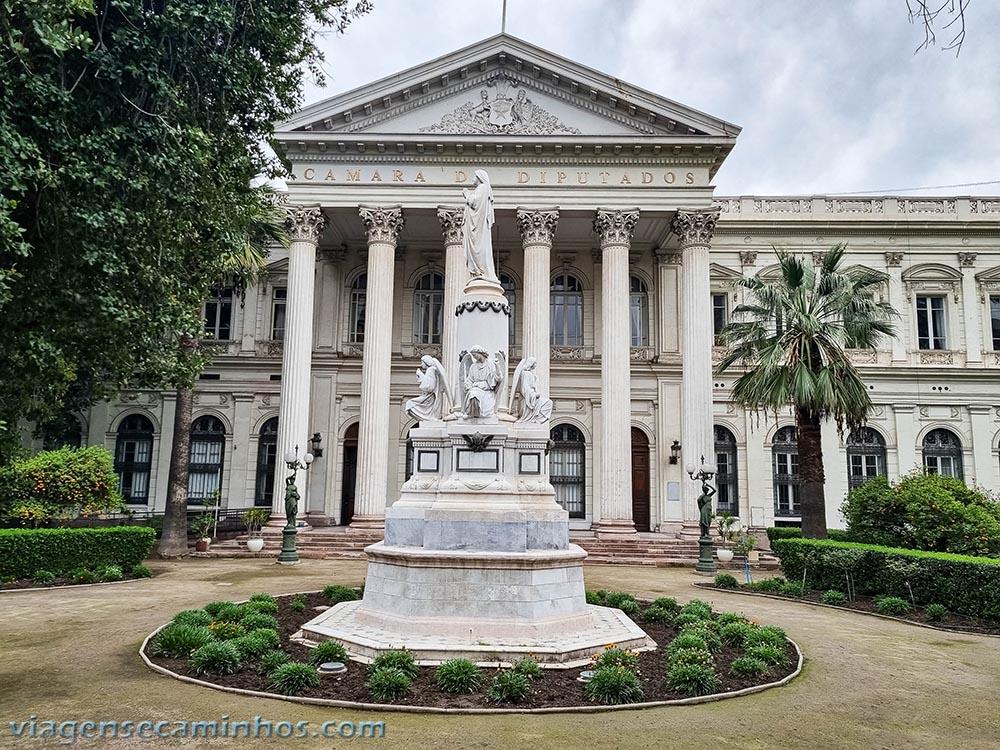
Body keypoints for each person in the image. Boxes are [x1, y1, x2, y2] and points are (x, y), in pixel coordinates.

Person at [462, 170, 497, 281]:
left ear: (479, 177)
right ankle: (479, 273)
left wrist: (467, 195)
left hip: (478, 229)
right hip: (475, 227)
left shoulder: (482, 188)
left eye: (474, 176)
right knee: (478, 250)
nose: (472, 178)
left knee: (479, 249)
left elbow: (474, 202)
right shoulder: (482, 189)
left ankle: (481, 272)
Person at [404, 355, 451, 422]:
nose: (421, 364)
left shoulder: (430, 370)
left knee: (410, 404)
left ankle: (427, 418)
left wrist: (421, 376)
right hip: (431, 398)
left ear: (426, 362)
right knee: (410, 404)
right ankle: (426, 419)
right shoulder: (433, 370)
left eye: (422, 362)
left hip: (430, 399)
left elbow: (429, 387)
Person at [462, 346, 502, 418]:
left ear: (480, 353)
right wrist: (467, 384)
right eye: (473, 356)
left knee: (475, 393)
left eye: (475, 355)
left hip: (487, 391)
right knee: (473, 393)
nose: (474, 357)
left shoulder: (490, 364)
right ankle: (472, 412)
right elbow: (470, 379)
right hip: (475, 388)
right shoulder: (473, 366)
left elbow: (498, 379)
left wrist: (497, 367)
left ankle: (478, 413)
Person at [509, 357, 552, 423]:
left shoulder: (529, 374)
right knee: (548, 403)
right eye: (535, 363)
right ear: (531, 364)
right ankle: (535, 419)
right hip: (528, 401)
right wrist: (534, 395)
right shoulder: (526, 373)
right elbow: (525, 388)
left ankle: (536, 420)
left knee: (548, 403)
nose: (536, 365)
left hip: (531, 399)